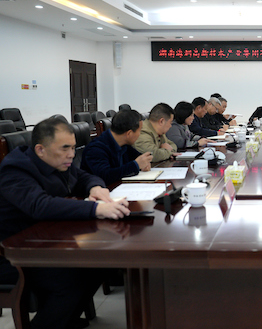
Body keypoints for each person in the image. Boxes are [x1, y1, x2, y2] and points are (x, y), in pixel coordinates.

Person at [0, 117, 129, 329]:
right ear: (40, 149)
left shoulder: (57, 162)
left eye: (72, 147)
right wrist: (95, 209)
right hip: (13, 252)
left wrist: (95, 187)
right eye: (65, 148)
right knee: (70, 279)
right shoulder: (15, 170)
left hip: (45, 240)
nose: (71, 154)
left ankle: (65, 319)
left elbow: (84, 177)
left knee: (101, 265)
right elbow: (40, 205)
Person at [81, 109, 153, 185]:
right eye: (139, 131)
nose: (140, 134)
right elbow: (106, 176)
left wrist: (145, 163)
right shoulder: (95, 149)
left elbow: (137, 157)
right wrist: (136, 165)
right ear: (129, 133)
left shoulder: (124, 144)